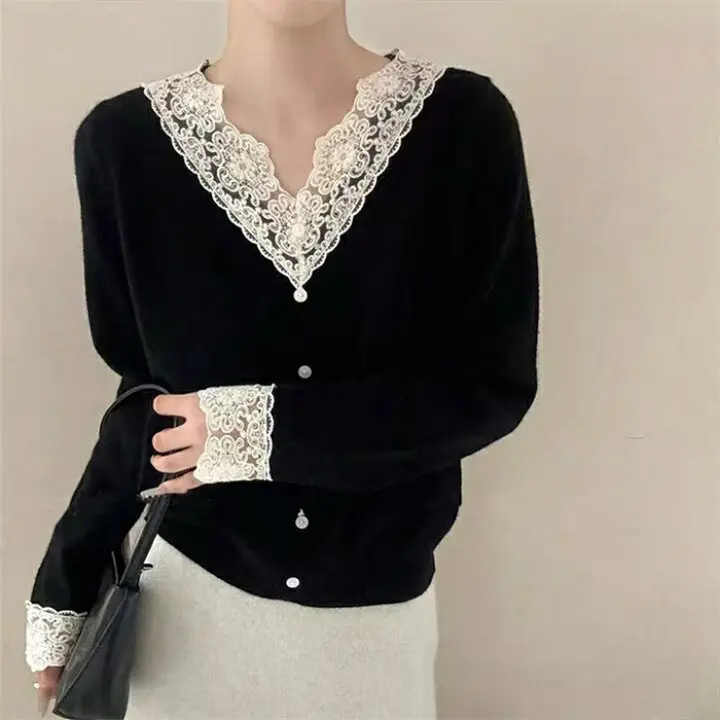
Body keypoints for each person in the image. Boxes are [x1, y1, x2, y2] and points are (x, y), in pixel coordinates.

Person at [25, 0, 539, 717]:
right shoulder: (121, 144)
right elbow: (144, 404)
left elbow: (489, 386)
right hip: (183, 611)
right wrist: (68, 577)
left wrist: (261, 431)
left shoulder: (464, 125)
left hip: (373, 629)